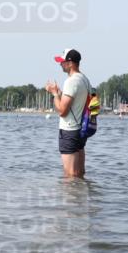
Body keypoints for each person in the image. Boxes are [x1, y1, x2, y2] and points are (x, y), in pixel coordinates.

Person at [45, 48, 91, 179]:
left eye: (63, 62)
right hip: (81, 129)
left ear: (70, 63)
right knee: (79, 173)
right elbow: (76, 103)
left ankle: (71, 199)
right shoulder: (84, 79)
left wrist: (54, 94)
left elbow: (62, 111)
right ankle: (80, 199)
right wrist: (60, 94)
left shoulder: (71, 81)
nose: (60, 64)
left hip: (69, 130)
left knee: (70, 175)